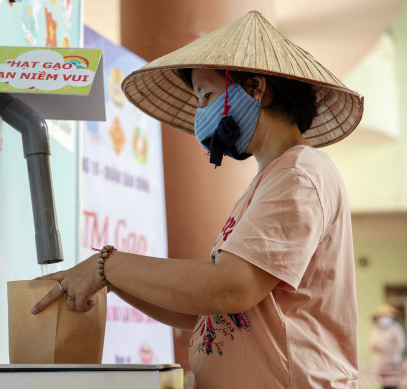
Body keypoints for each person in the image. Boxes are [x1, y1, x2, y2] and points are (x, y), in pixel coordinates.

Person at [31, 11, 363, 388]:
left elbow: (231, 287)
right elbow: (210, 311)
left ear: (255, 86)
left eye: (207, 95)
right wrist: (111, 280)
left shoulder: (299, 173)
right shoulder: (271, 180)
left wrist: (106, 265)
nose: (200, 113)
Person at [369, 303, 406, 389]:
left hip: (394, 362)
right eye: (381, 315)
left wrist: (388, 347)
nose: (383, 318)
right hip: (380, 363)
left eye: (385, 315)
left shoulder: (396, 328)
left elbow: (401, 345)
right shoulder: (375, 329)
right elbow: (372, 345)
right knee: (384, 385)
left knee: (393, 385)